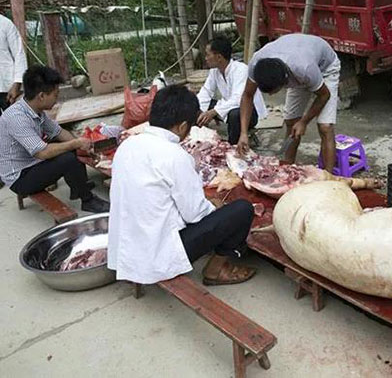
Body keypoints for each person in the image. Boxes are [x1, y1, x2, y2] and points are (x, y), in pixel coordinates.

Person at [108, 84, 256, 285]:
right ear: (182, 126)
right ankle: (216, 269)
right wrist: (215, 207)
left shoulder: (128, 145)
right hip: (158, 257)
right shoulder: (174, 155)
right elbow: (195, 214)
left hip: (128, 249)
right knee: (242, 210)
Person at [0, 65, 109, 212]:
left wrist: (82, 145)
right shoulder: (17, 118)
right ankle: (87, 200)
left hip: (32, 161)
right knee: (68, 158)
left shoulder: (35, 110)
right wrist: (75, 143)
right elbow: (42, 153)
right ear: (41, 96)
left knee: (67, 145)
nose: (57, 100)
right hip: (20, 178)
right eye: (55, 95)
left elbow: (58, 132)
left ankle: (79, 185)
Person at [236, 34, 341, 173]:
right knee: (291, 122)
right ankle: (288, 170)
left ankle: (329, 176)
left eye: (273, 92)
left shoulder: (304, 68)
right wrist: (243, 133)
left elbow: (324, 95)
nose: (271, 96)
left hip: (325, 67)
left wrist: (304, 122)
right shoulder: (256, 64)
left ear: (284, 82)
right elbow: (247, 95)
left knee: (325, 127)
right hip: (298, 60)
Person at [196, 36, 267, 144]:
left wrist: (213, 112)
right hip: (228, 107)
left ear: (219, 57)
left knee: (234, 114)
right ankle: (196, 138)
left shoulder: (240, 70)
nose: (205, 58)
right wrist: (201, 110)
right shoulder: (214, 71)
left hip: (248, 112)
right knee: (194, 103)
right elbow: (206, 92)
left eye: (208, 55)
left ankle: (232, 146)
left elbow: (238, 99)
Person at [0, 14, 27, 113]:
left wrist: (17, 83)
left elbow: (19, 53)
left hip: (5, 86)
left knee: (14, 118)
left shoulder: (5, 23)